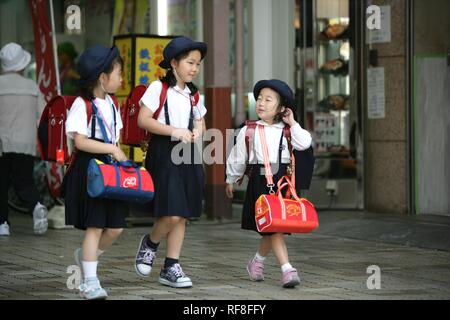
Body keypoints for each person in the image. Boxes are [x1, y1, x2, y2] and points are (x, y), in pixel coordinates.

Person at [134, 36, 207, 288]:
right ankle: (151, 243)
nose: (194, 68)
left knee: (183, 213)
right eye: (190, 62)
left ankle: (171, 266)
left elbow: (201, 122)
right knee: (173, 211)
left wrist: (198, 131)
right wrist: (174, 130)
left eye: (197, 64)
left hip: (188, 154)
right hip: (164, 151)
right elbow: (143, 120)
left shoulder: (194, 95)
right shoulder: (158, 88)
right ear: (173, 63)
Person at [225, 79, 312, 288]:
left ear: (282, 108)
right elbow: (237, 157)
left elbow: (305, 143)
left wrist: (293, 123)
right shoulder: (250, 130)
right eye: (259, 99)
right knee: (273, 229)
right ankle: (287, 270)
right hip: (261, 183)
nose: (261, 103)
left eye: (268, 99)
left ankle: (256, 262)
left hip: (282, 183)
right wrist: (230, 179)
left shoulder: (288, 131)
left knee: (274, 229)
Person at [62, 44, 127, 300]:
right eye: (118, 73)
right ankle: (89, 281)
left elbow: (116, 138)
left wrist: (116, 153)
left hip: (109, 169)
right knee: (96, 226)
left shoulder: (112, 104)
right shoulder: (82, 105)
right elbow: (80, 141)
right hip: (89, 169)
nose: (121, 79)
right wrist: (112, 148)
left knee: (115, 228)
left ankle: (86, 256)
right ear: (102, 77)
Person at [0, 42, 48, 236]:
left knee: (1, 184)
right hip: (25, 143)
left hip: (2, 144)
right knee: (24, 181)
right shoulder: (32, 87)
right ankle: (36, 206)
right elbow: (43, 116)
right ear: (21, 65)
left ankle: (2, 224)